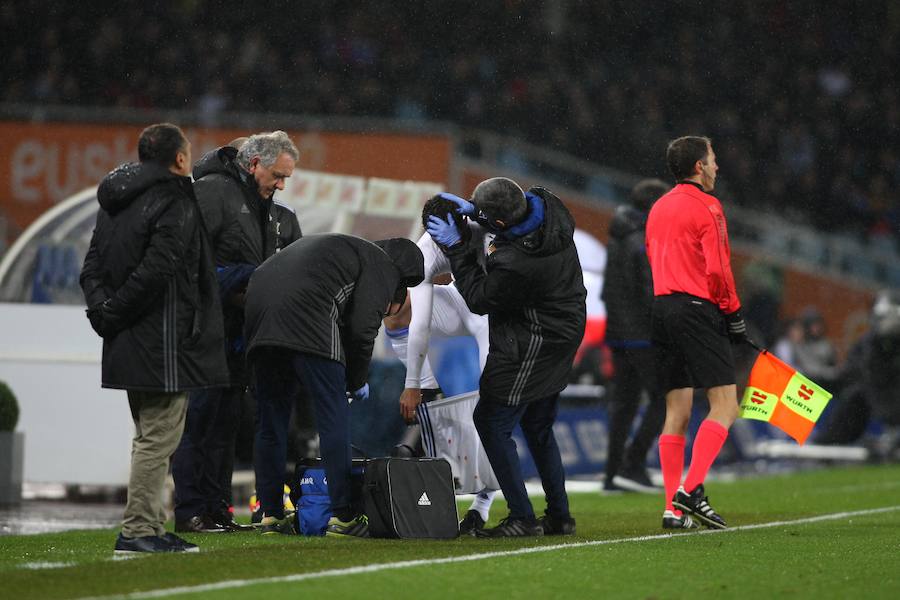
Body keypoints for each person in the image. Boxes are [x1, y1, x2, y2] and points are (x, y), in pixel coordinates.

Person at [80, 123, 229, 553]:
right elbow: (158, 271)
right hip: (163, 344)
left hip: (127, 340)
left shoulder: (114, 203)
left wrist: (104, 312)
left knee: (149, 435)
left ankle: (149, 523)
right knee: (157, 438)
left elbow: (90, 268)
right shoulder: (174, 200)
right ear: (180, 160)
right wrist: (117, 310)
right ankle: (139, 530)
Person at [426, 177, 586, 537]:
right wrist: (480, 216)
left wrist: (457, 250)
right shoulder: (549, 203)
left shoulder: (518, 261)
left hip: (536, 339)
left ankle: (522, 518)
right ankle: (559, 516)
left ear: (499, 224)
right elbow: (510, 219)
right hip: (566, 325)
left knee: (491, 420)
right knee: (538, 425)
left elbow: (480, 299)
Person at [243, 234, 424, 537]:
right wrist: (355, 380)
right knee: (333, 418)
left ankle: (270, 514)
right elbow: (362, 328)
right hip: (309, 318)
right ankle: (342, 515)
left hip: (260, 320)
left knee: (270, 424)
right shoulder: (383, 266)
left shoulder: (342, 250)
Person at [171, 131, 301, 534]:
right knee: (199, 422)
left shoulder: (260, 204)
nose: (281, 185)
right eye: (278, 175)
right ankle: (191, 510)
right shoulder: (212, 192)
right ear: (255, 164)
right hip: (204, 330)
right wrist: (241, 281)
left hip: (237, 334)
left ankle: (217, 509)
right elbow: (186, 259)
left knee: (224, 425)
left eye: (286, 179)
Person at [645, 135, 747, 530]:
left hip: (662, 310)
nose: (717, 166)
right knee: (725, 405)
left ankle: (673, 507)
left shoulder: (657, 207)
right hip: (695, 308)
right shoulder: (708, 206)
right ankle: (692, 487)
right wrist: (732, 312)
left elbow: (654, 256)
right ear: (699, 167)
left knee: (677, 412)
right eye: (713, 159)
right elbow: (718, 268)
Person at [383, 195, 498, 535]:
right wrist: (413, 384)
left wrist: (488, 387)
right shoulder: (426, 251)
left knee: (491, 416)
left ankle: (483, 505)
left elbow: (483, 322)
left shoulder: (485, 232)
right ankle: (430, 393)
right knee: (396, 312)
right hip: (463, 308)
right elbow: (417, 323)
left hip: (497, 314)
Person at [601, 178, 669, 494]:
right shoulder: (643, 239)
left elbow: (611, 290)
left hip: (618, 334)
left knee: (624, 405)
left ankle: (613, 473)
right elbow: (650, 292)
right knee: (665, 399)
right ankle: (633, 464)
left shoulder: (618, 235)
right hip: (643, 335)